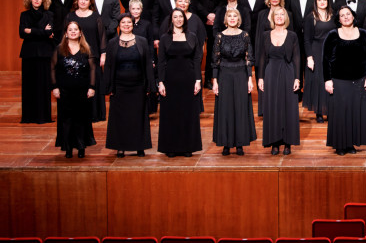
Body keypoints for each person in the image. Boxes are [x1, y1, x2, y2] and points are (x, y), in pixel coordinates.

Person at [323, 6, 366, 155]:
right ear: (338, 19)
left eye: (348, 14)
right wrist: (328, 80)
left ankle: (351, 143)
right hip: (338, 80)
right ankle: (340, 144)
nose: (346, 17)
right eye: (342, 15)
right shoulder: (332, 35)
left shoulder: (363, 34)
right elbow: (325, 59)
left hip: (358, 80)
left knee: (354, 112)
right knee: (340, 113)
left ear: (353, 16)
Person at [104, 14, 155, 158]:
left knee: (138, 117)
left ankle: (140, 146)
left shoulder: (142, 41)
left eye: (129, 22)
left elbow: (147, 64)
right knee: (120, 118)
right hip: (119, 87)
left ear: (133, 25)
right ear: (119, 25)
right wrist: (109, 87)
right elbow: (108, 66)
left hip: (138, 86)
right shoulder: (113, 43)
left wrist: (149, 86)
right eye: (123, 22)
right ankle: (120, 147)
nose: (126, 24)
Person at [157, 8, 203, 157]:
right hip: (170, 80)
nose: (178, 19)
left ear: (184, 19)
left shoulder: (192, 36)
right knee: (170, 114)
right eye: (175, 17)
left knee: (187, 113)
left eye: (180, 17)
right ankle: (171, 147)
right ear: (171, 20)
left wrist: (197, 79)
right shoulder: (165, 38)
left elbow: (197, 59)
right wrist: (161, 82)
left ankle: (187, 147)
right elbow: (161, 61)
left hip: (188, 79)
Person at [212, 8, 256, 156]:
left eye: (235, 16)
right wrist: (215, 81)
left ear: (239, 19)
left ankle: (239, 144)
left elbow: (249, 58)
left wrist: (250, 79)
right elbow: (215, 61)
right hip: (224, 74)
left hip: (240, 74)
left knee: (240, 107)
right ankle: (226, 143)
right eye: (229, 16)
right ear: (226, 19)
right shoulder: (219, 36)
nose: (232, 18)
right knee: (225, 109)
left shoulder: (245, 35)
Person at [257, 7, 301, 155]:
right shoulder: (265, 35)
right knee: (272, 107)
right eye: (277, 15)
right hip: (270, 72)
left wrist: (297, 78)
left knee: (288, 107)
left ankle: (288, 143)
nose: (280, 17)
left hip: (288, 73)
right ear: (273, 18)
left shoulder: (292, 35)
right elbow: (262, 57)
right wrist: (261, 77)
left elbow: (296, 57)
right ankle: (274, 142)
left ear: (286, 18)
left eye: (283, 14)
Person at [50, 21, 96, 158]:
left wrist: (92, 87)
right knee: (66, 120)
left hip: (82, 90)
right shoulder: (59, 49)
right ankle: (68, 147)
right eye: (70, 30)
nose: (73, 32)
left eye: (76, 29)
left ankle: (81, 146)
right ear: (66, 33)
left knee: (81, 118)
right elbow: (52, 68)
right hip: (64, 91)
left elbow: (93, 69)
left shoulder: (87, 49)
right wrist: (55, 87)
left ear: (80, 32)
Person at [65, 0, 107, 122]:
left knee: (94, 83)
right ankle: (79, 114)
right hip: (74, 56)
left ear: (90, 2)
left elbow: (102, 37)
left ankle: (95, 114)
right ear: (77, 1)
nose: (83, 1)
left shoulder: (96, 16)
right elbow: (65, 36)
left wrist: (103, 54)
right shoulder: (70, 16)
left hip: (93, 56)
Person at [189, 0, 225, 89]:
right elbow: (194, 1)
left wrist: (214, 16)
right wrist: (206, 15)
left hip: (216, 21)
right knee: (197, 50)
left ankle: (209, 79)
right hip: (200, 20)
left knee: (213, 50)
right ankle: (196, 78)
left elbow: (223, 0)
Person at [20, 0, 55, 124]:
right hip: (28, 54)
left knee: (44, 85)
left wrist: (31, 31)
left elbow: (49, 33)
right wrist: (41, 31)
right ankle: (28, 117)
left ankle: (43, 116)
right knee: (29, 85)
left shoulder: (49, 15)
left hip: (45, 53)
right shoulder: (24, 15)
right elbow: (22, 33)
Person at [304, 0, 335, 123]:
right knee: (318, 81)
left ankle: (331, 109)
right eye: (319, 0)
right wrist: (309, 57)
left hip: (332, 51)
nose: (322, 2)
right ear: (316, 2)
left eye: (324, 0)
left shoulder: (334, 15)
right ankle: (319, 112)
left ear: (328, 1)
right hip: (317, 51)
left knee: (332, 79)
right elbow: (306, 39)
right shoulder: (311, 17)